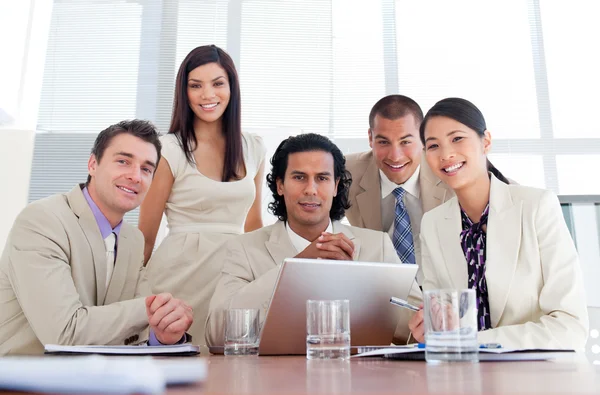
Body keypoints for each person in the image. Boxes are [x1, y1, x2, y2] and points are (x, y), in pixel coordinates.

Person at [205, 133, 421, 347]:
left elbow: (415, 328)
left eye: (322, 178)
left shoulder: (378, 246)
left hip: (357, 378)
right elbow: (216, 333)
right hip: (275, 379)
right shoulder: (243, 248)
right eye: (299, 177)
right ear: (280, 185)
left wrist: (359, 285)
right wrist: (294, 269)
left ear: (336, 186)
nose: (311, 189)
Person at [408, 98, 588, 350]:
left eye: (457, 138)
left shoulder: (537, 207)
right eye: (433, 145)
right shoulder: (433, 224)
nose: (446, 154)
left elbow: (570, 326)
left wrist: (473, 341)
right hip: (463, 376)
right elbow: (442, 318)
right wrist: (432, 327)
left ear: (486, 141)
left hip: (535, 378)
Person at [0, 120, 193, 355]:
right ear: (93, 164)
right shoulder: (42, 221)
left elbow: (137, 332)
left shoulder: (132, 240)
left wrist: (161, 333)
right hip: (21, 382)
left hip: (96, 379)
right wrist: (149, 310)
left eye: (146, 169)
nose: (135, 176)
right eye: (123, 161)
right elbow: (63, 333)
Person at [138, 45, 266, 344]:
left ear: (231, 88)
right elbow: (145, 235)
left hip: (234, 275)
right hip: (179, 276)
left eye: (218, 83)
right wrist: (122, 298)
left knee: (232, 369)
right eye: (196, 86)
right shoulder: (167, 149)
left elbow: (255, 225)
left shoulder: (254, 147)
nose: (208, 95)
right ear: (184, 93)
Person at [345, 95, 453, 283]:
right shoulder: (346, 173)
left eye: (405, 142)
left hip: (439, 288)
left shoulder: (448, 168)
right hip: (375, 288)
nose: (395, 156)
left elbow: (501, 191)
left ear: (423, 137)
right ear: (370, 138)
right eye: (384, 142)